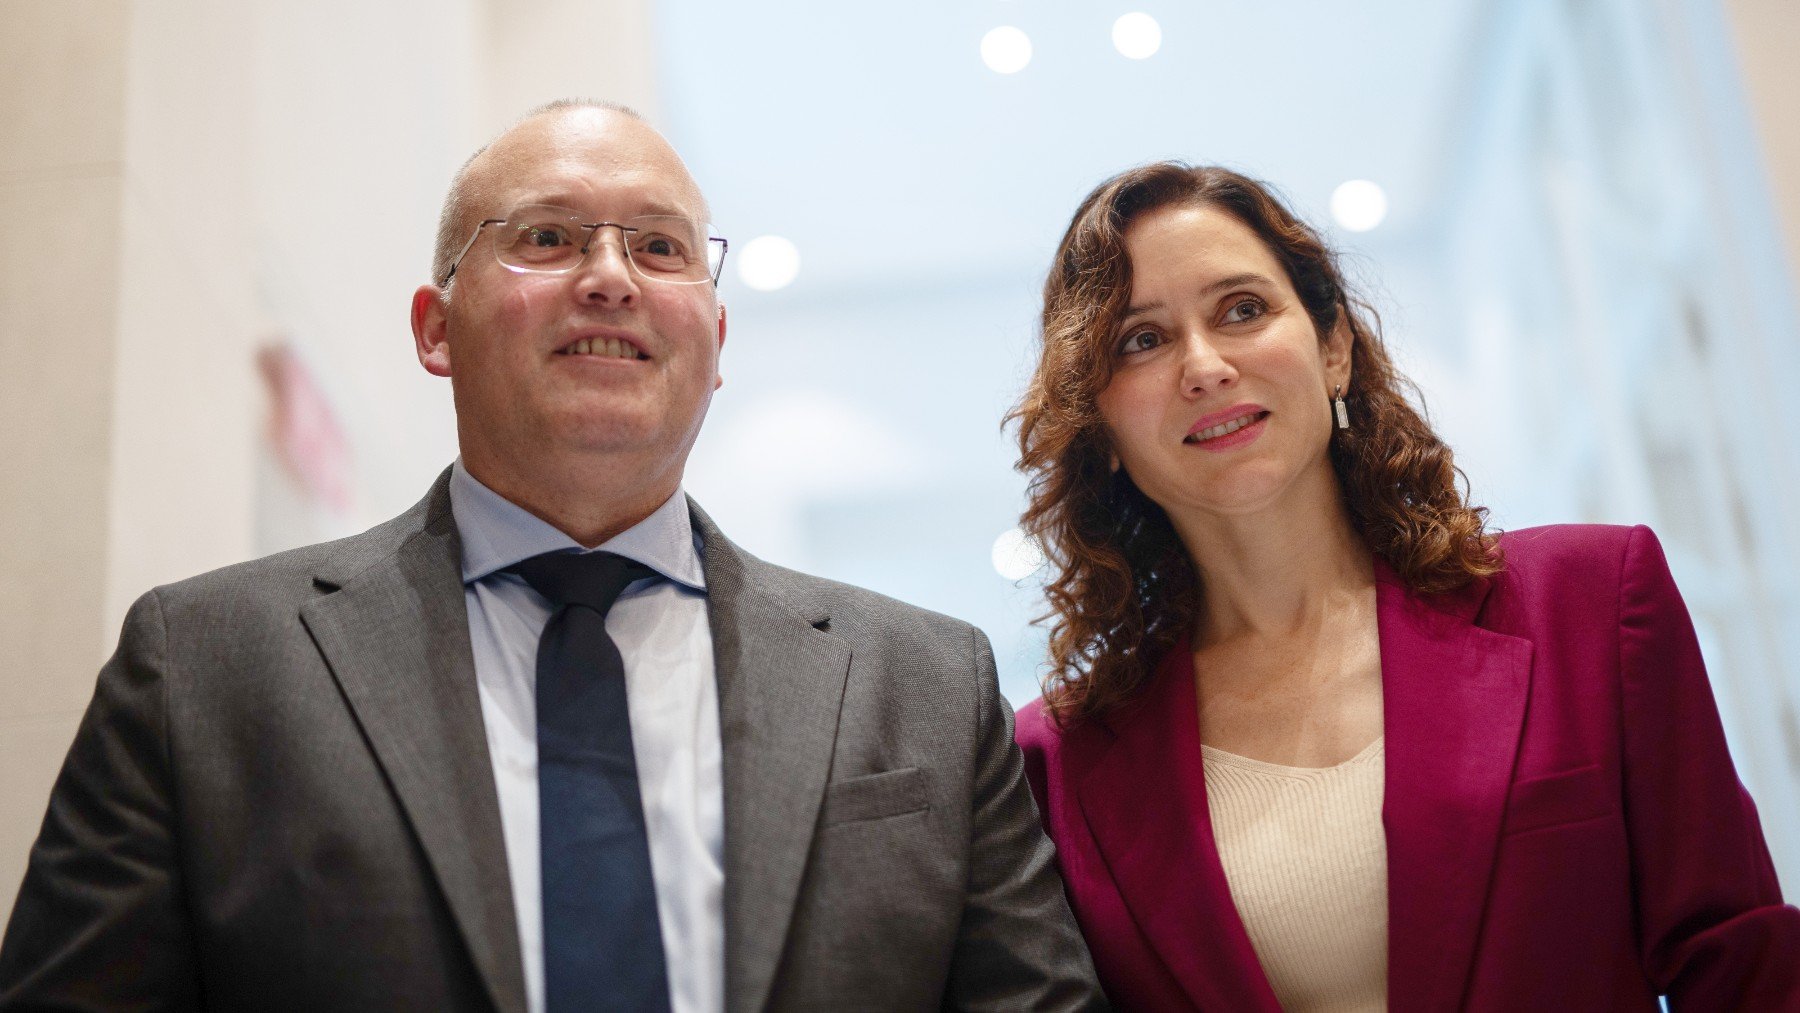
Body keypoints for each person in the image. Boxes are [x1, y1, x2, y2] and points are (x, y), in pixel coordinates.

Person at [0, 100, 1103, 1012]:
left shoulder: (927, 684)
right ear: (436, 327)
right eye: (547, 236)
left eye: (659, 245)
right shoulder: (202, 665)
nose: (611, 276)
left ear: (716, 342)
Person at [1009, 162, 1800, 1010]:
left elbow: (1742, 964)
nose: (1203, 366)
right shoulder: (1052, 762)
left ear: (1335, 350)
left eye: (1242, 309)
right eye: (1142, 339)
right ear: (1105, 426)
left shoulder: (1590, 601)